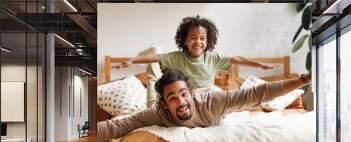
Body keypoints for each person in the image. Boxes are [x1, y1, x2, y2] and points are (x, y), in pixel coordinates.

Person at [97, 68, 311, 141]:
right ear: (165, 104)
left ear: (189, 93)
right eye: (172, 98)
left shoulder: (216, 102)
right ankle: (153, 68)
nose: (181, 102)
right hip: (156, 102)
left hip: (209, 97)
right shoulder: (158, 112)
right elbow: (119, 126)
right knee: (151, 91)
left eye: (183, 94)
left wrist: (302, 80)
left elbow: (259, 93)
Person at [112, 15, 277, 107]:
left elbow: (237, 59)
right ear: (184, 40)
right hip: (186, 94)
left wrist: (260, 64)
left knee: (224, 97)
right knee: (156, 99)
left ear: (208, 41)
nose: (198, 42)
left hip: (207, 91)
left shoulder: (212, 58)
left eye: (202, 38)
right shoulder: (177, 57)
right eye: (193, 38)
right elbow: (155, 58)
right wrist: (132, 60)